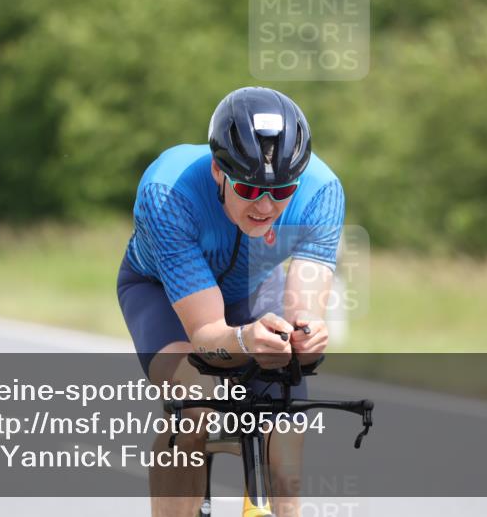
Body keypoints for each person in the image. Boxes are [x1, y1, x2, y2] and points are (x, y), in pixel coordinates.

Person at [117, 86, 346, 516]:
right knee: (197, 398)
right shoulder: (168, 192)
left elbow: (305, 312)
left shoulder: (322, 192)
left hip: (251, 291)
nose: (264, 205)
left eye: (281, 192)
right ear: (218, 172)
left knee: (285, 423)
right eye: (249, 188)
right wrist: (244, 341)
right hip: (160, 292)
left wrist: (307, 336)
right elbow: (206, 335)